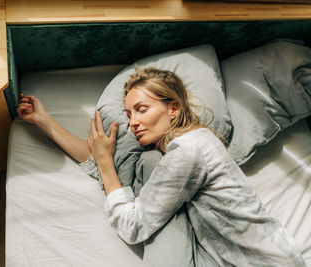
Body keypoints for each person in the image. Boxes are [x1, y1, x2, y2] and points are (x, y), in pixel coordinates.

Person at [17, 67, 306, 266]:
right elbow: (114, 171)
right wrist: (44, 121)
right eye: (129, 113)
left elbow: (134, 225)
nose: (132, 122)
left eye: (141, 109)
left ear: (173, 109)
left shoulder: (189, 151)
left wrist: (105, 164)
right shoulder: (173, 152)